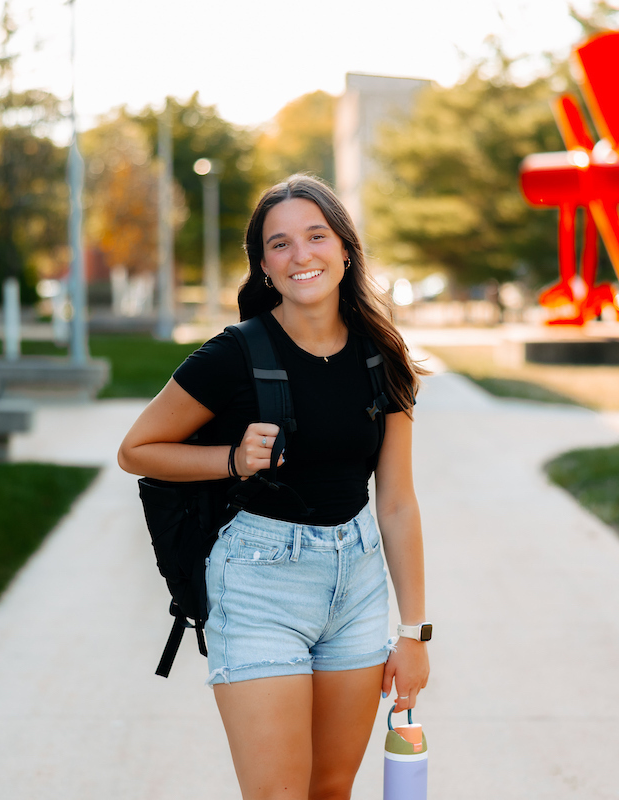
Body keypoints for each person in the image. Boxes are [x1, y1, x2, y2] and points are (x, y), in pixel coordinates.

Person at [118, 174, 430, 800]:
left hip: (357, 588)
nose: (301, 256)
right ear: (263, 264)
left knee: (331, 789)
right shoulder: (233, 354)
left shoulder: (383, 355)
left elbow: (395, 501)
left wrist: (414, 632)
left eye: (316, 236)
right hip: (259, 584)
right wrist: (232, 460)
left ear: (345, 247)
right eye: (280, 244)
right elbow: (136, 449)